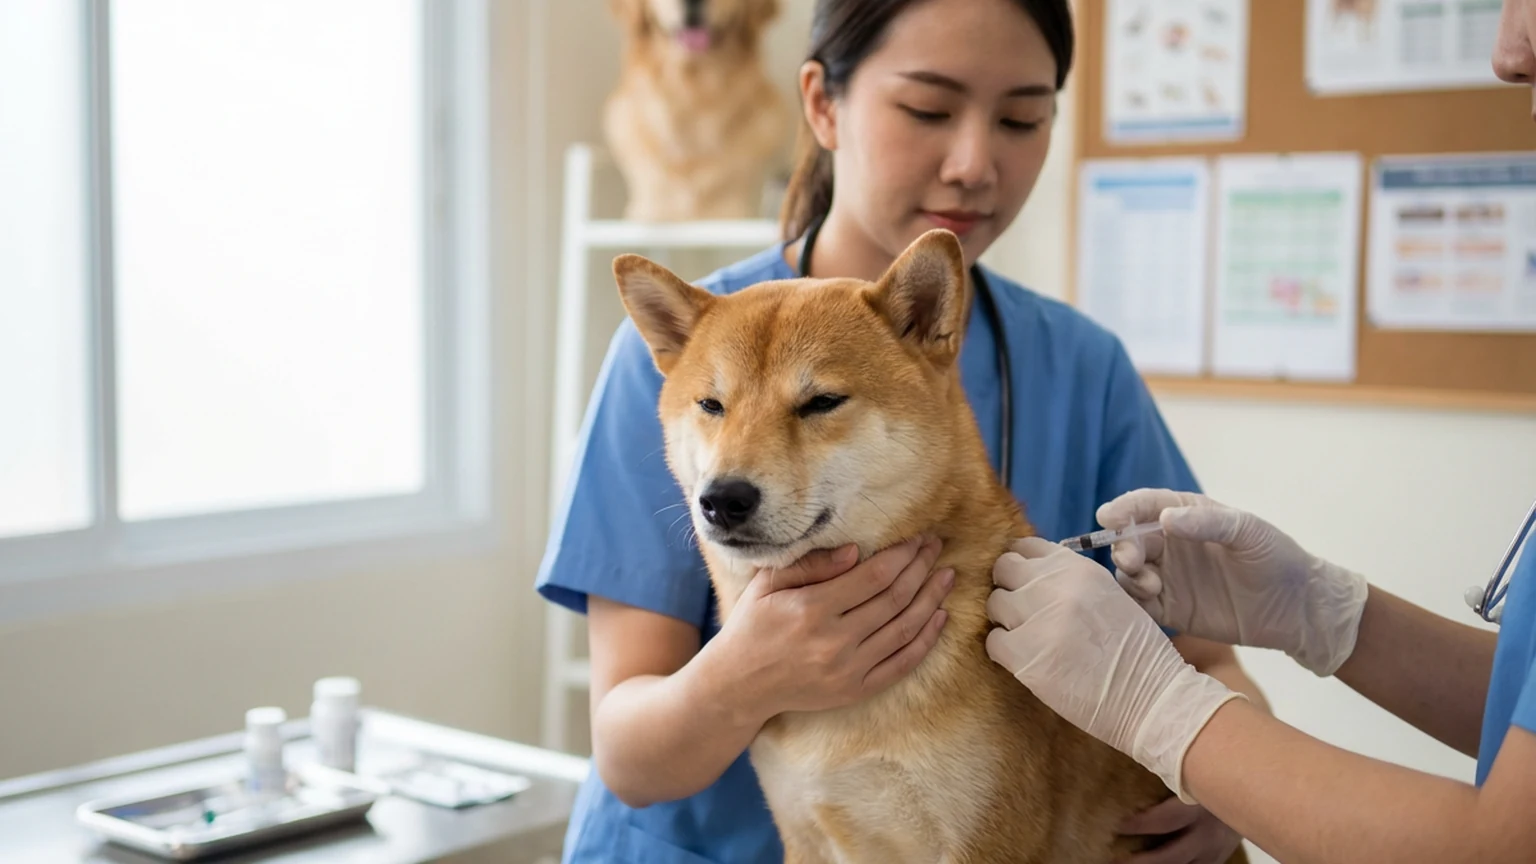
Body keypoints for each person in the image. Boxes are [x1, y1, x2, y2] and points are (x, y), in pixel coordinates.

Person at [535, 0, 1267, 861]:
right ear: (823, 103)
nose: (973, 163)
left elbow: (1212, 662)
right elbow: (627, 753)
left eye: (1022, 119)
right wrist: (747, 676)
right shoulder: (688, 361)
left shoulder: (1080, 364)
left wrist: (1238, 791)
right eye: (927, 109)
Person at [985, 13, 1536, 861]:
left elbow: (1505, 843)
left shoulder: (1081, 361)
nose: (1505, 56)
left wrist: (1165, 715)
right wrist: (1324, 613)